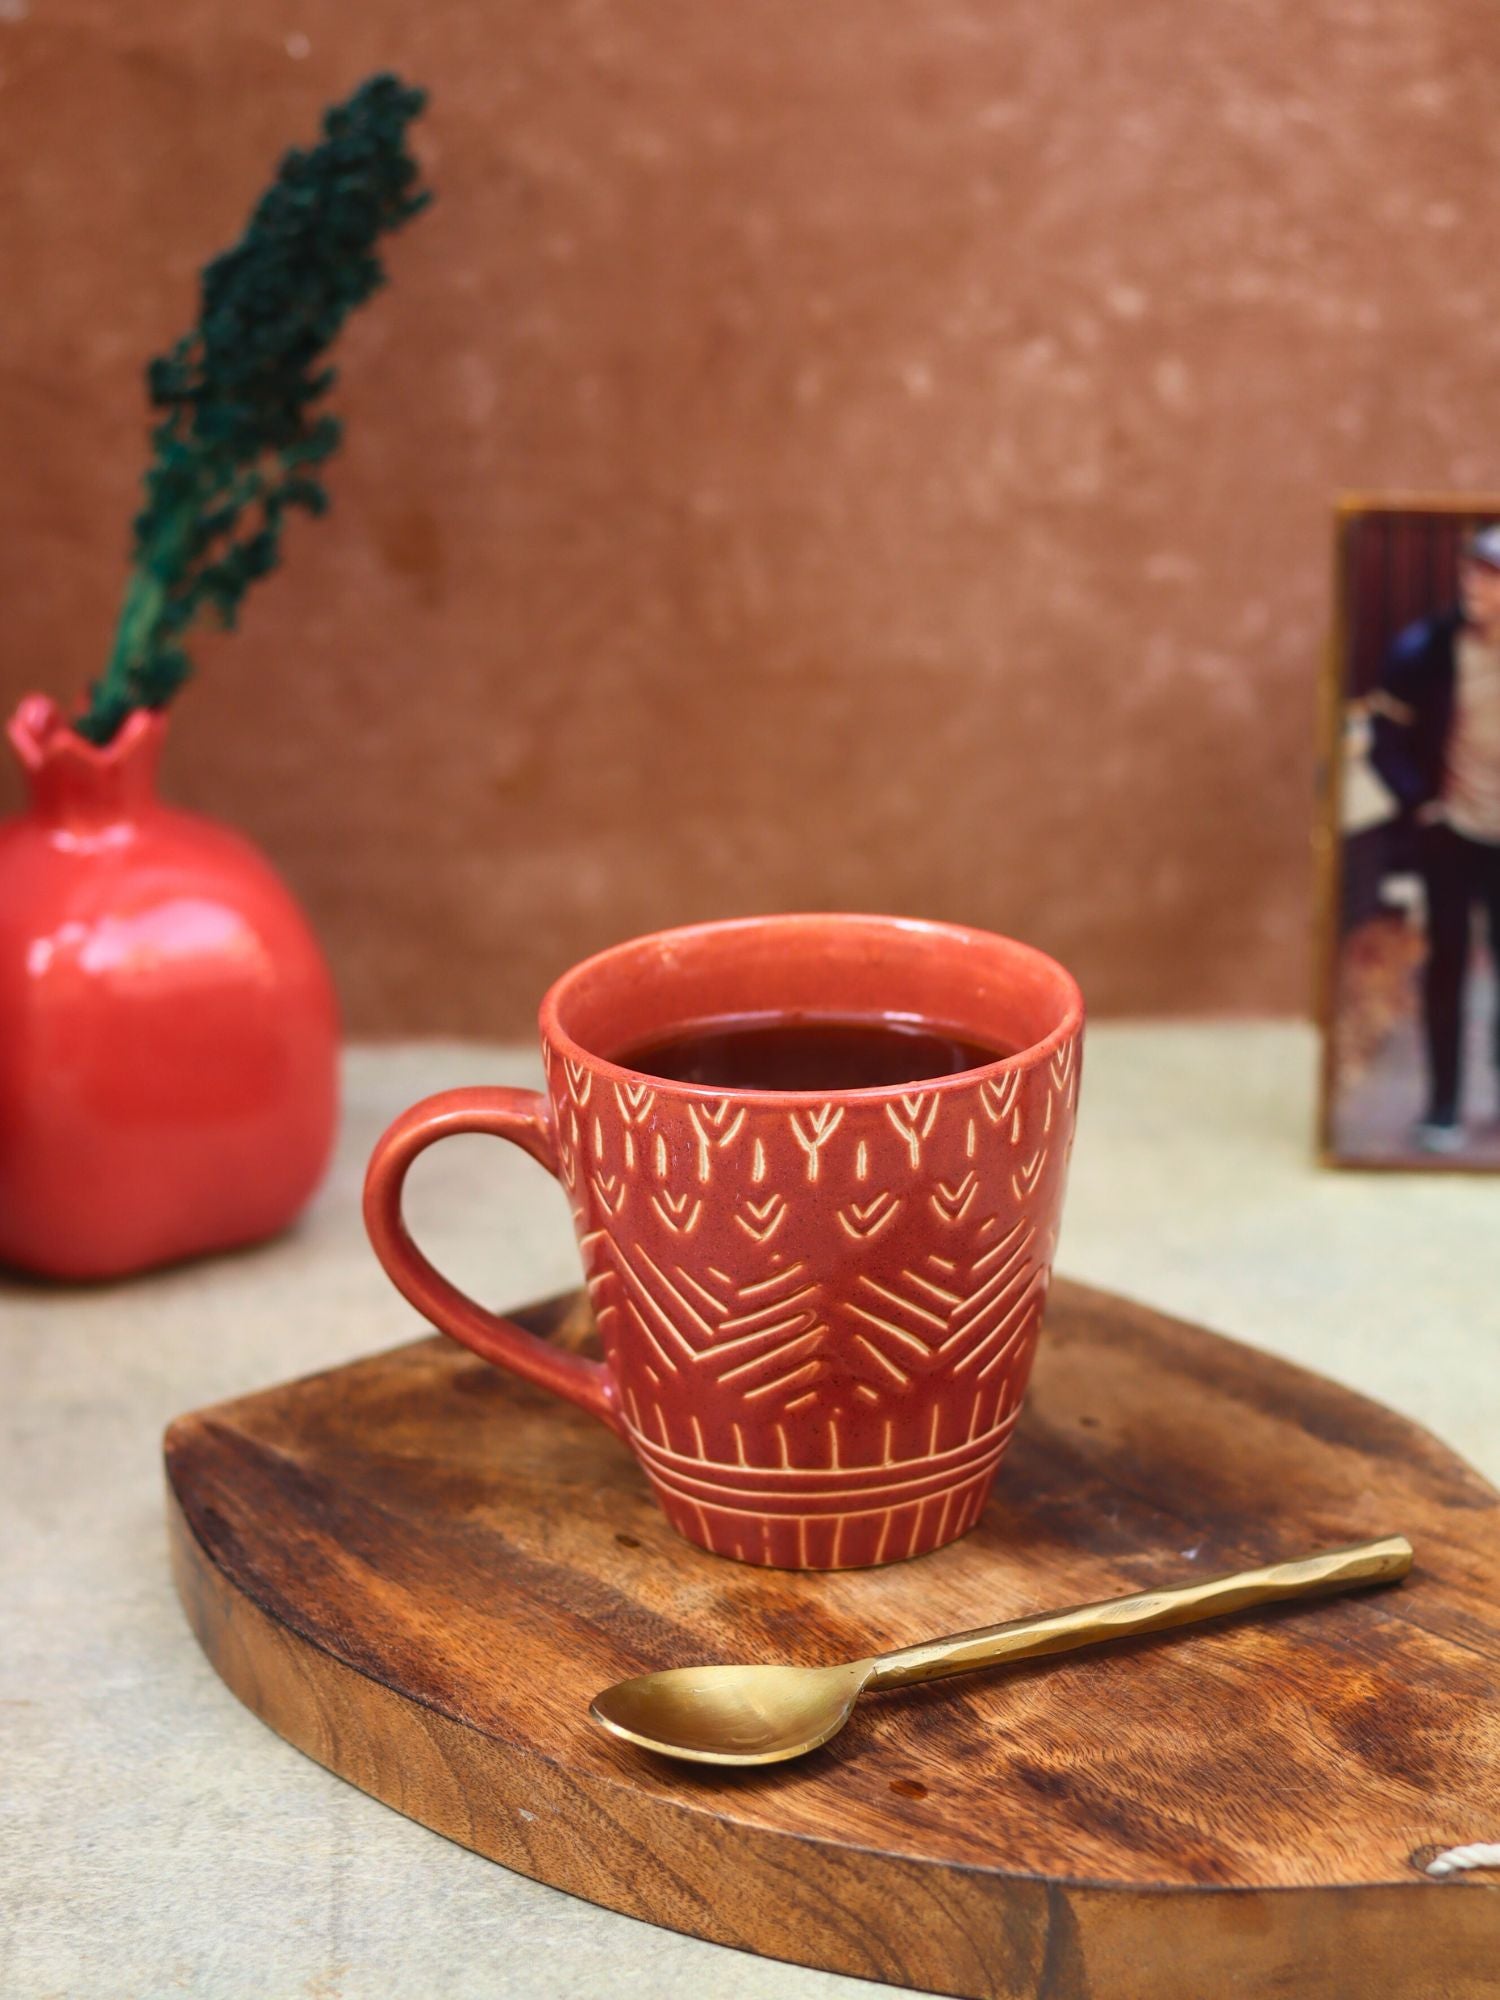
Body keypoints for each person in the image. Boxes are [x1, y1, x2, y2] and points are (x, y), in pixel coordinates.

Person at [1370, 524, 1500, 1151]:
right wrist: (1423, 805)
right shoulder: (1427, 649)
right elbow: (1384, 739)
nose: (1476, 586)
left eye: (1491, 576)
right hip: (1453, 830)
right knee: (1446, 964)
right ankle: (1443, 1105)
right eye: (1472, 572)